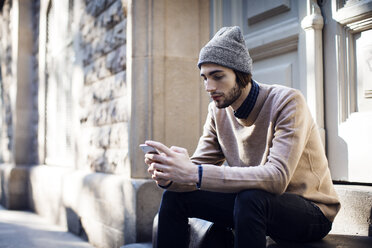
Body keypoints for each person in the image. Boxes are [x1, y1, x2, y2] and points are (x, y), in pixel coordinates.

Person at [144, 26, 340, 248]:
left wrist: (193, 172)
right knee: (174, 197)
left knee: (251, 198)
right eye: (205, 78)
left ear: (241, 74)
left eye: (217, 76)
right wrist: (171, 175)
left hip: (311, 211)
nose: (209, 87)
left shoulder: (288, 101)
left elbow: (277, 178)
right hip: (252, 205)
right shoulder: (217, 112)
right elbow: (197, 171)